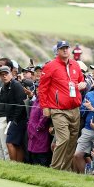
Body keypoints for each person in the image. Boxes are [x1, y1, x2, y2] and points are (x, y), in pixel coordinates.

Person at [38, 40, 85, 172]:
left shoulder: (75, 65)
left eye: (66, 48)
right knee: (64, 138)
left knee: (72, 141)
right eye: (62, 48)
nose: (65, 50)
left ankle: (64, 170)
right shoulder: (50, 66)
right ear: (57, 51)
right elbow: (42, 89)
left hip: (75, 108)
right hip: (58, 109)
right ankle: (55, 168)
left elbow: (81, 80)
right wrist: (45, 107)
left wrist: (83, 85)